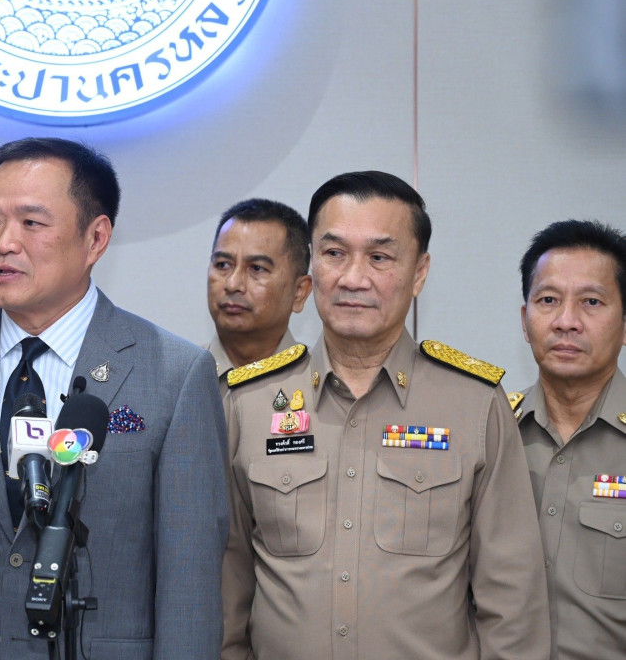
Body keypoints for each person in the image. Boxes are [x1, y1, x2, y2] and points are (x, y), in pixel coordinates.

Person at [0, 138, 228, 659]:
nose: (3, 243)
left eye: (31, 222)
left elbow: (189, 591)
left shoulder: (175, 374)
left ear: (95, 238)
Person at [221, 171, 550, 660]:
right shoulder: (248, 402)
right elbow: (227, 585)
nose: (353, 278)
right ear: (312, 265)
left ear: (419, 272)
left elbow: (513, 602)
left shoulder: (475, 404)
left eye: (379, 257)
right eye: (334, 253)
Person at [511, 219, 626, 659]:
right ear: (525, 321)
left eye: (591, 302)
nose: (566, 322)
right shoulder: (488, 431)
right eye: (548, 300)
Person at [206, 198, 311, 400]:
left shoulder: (323, 388)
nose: (233, 284)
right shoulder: (175, 379)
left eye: (257, 268)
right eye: (223, 265)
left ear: (299, 291)